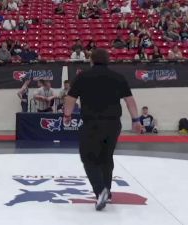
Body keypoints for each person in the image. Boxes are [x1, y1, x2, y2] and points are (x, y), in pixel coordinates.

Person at [63, 49, 141, 211]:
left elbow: (70, 98)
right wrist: (135, 120)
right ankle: (108, 190)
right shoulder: (118, 77)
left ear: (91, 60)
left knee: (89, 158)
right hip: (113, 125)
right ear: (108, 61)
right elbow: (130, 101)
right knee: (106, 157)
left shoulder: (82, 76)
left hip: (92, 123)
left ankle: (101, 191)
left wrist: (67, 115)